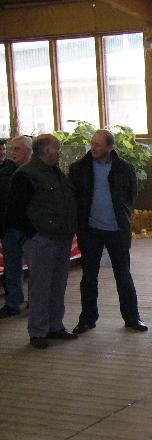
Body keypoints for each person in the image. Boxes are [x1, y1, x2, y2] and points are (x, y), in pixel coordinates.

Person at [69, 129, 146, 334]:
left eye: (98, 145)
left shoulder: (125, 168)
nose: (93, 148)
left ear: (110, 147)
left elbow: (131, 195)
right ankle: (87, 319)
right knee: (89, 277)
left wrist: (121, 214)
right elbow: (75, 198)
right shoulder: (78, 168)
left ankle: (132, 318)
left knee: (123, 275)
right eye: (92, 143)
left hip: (117, 230)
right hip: (90, 231)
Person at [5, 135, 77, 349]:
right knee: (40, 287)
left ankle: (55, 326)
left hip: (61, 237)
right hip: (41, 240)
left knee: (58, 285)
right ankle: (37, 331)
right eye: (57, 149)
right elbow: (16, 212)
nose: (60, 153)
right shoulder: (25, 175)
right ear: (46, 152)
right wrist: (35, 235)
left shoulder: (55, 172)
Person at [0, 136, 32, 319]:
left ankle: (35, 301)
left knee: (36, 267)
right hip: (10, 227)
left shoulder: (37, 171)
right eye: (11, 149)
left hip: (31, 229)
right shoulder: (6, 172)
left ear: (29, 150)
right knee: (12, 268)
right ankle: (13, 302)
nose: (12, 153)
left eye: (17, 149)